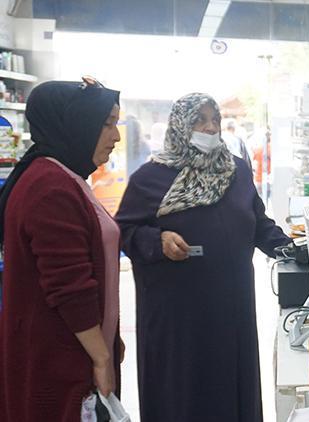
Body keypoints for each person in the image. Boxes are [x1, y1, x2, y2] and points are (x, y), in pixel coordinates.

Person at [115, 93, 290, 421]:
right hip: (179, 316)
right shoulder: (150, 178)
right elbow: (123, 231)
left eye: (215, 120)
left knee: (230, 384)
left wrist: (296, 251)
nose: (210, 128)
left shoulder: (235, 171)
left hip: (231, 308)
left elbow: (260, 225)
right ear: (180, 125)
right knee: (183, 390)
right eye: (200, 120)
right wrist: (158, 239)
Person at [0, 78, 123, 421]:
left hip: (74, 350)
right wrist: (101, 357)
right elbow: (70, 288)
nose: (115, 137)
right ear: (76, 123)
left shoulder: (65, 177)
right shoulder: (50, 187)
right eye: (108, 124)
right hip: (60, 359)